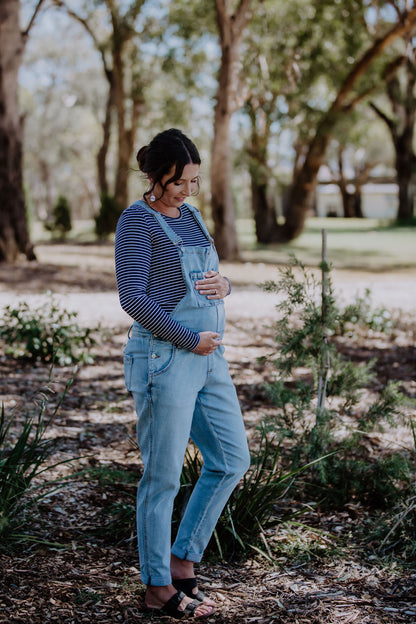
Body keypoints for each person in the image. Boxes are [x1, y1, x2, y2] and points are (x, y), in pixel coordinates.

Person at [115, 128, 250, 619]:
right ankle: (156, 586)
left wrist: (225, 284)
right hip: (165, 359)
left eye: (193, 182)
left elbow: (209, 278)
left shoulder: (190, 216)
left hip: (210, 359)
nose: (186, 191)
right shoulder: (136, 221)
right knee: (163, 477)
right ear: (155, 175)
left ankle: (182, 559)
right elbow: (134, 298)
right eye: (178, 181)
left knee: (231, 459)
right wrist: (191, 339)